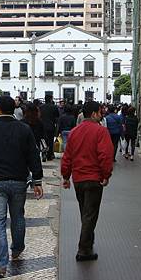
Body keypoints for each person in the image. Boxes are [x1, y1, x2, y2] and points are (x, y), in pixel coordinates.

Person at [0, 95, 44, 277]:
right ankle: (17, 249)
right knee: (18, 216)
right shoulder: (24, 129)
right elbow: (33, 155)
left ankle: (0, 264)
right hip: (19, 181)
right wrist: (37, 180)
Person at [61, 101, 113, 261]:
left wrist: (65, 176)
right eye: (100, 112)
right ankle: (84, 249)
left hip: (78, 178)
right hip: (94, 178)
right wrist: (106, 175)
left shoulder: (75, 132)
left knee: (85, 212)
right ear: (94, 114)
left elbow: (67, 155)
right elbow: (105, 155)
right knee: (90, 214)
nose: (102, 114)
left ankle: (88, 244)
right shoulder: (101, 131)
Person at [39, 94, 59, 160]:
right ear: (51, 99)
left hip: (42, 126)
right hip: (51, 126)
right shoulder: (54, 107)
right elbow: (57, 117)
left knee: (43, 141)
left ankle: (44, 153)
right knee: (50, 141)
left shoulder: (41, 107)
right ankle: (49, 155)